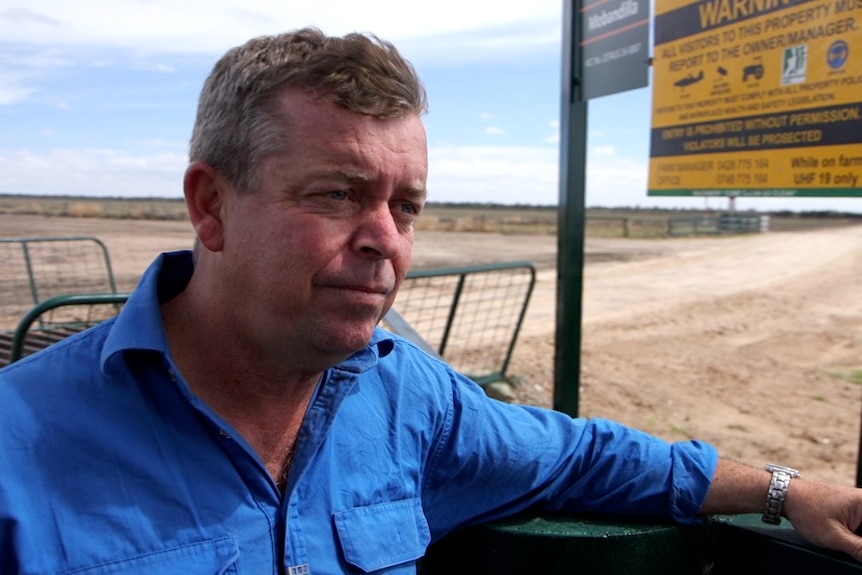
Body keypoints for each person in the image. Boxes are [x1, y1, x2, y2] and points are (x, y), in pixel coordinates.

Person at [1, 27, 861, 574]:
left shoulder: (407, 397)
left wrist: (785, 490)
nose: (386, 239)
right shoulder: (21, 449)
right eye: (338, 193)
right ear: (211, 206)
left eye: (404, 205)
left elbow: (586, 456)